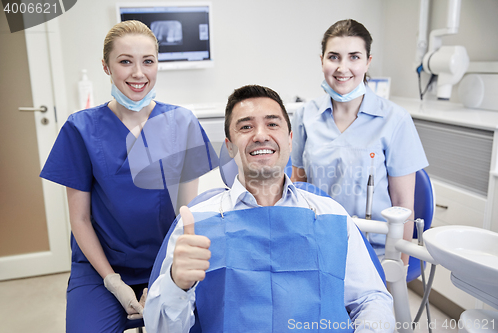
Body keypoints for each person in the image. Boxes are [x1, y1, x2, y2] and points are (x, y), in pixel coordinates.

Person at [144, 85, 395, 333]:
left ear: (289, 139)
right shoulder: (196, 224)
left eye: (272, 124)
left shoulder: (331, 215)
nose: (260, 135)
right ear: (230, 147)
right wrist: (178, 285)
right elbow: (160, 330)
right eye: (245, 127)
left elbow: (371, 299)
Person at [40, 20, 217, 332]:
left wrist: (169, 278)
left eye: (148, 61)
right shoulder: (80, 129)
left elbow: (186, 216)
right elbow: (80, 220)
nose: (139, 73)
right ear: (106, 66)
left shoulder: (182, 123)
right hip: (100, 268)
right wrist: (114, 283)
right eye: (125, 61)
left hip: (164, 260)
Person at [291, 19, 428, 264]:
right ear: (321, 60)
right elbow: (299, 186)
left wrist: (399, 266)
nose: (343, 68)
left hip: (375, 250)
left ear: (368, 62)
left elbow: (403, 204)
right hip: (317, 245)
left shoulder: (395, 120)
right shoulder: (305, 116)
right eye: (334, 57)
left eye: (354, 57)